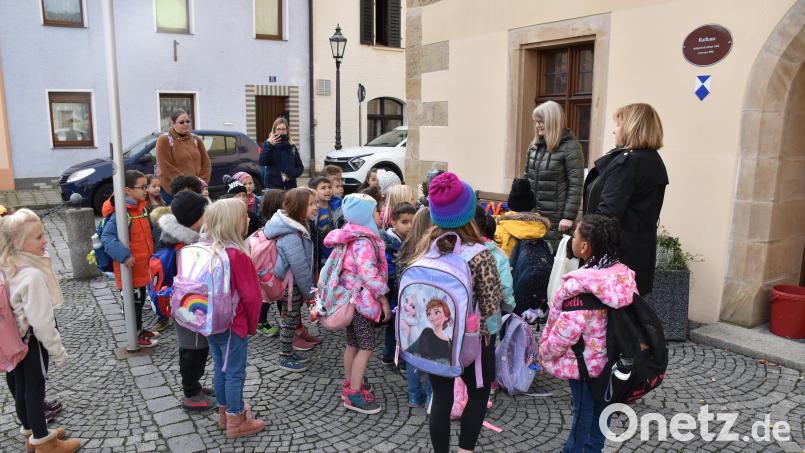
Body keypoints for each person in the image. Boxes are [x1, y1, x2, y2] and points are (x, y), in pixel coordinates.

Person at [415, 172, 502, 453]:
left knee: (441, 398)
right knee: (477, 395)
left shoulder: (427, 249)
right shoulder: (480, 253)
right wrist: (492, 336)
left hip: (437, 337)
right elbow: (490, 305)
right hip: (472, 341)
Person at [538, 214, 637, 453]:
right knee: (603, 408)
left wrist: (544, 352)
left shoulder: (579, 285)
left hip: (583, 364)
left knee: (582, 410)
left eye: (575, 235)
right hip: (611, 360)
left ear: (584, 247)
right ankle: (594, 448)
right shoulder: (620, 276)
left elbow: (566, 332)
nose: (572, 239)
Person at [0, 209, 80, 453]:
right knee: (35, 391)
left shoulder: (6, 265)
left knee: (20, 388)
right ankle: (45, 443)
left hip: (13, 343)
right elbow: (43, 323)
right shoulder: (32, 275)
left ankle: (31, 434)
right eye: (38, 237)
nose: (44, 240)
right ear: (17, 242)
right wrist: (58, 352)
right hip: (32, 342)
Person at [583, 103, 669, 296]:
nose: (614, 130)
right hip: (637, 256)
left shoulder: (629, 162)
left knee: (611, 322)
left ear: (632, 128)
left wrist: (582, 243)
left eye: (619, 124)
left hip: (614, 260)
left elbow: (606, 215)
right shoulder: (652, 160)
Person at [200, 198, 265, 438]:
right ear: (233, 223)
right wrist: (251, 325)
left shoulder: (208, 249)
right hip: (232, 324)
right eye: (244, 216)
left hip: (210, 321)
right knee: (235, 372)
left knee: (221, 367)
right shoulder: (238, 255)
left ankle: (223, 414)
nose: (248, 219)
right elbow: (252, 298)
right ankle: (237, 422)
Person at [323, 194, 390, 414]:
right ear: (366, 216)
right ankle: (354, 393)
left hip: (351, 301)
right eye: (376, 211)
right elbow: (368, 274)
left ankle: (350, 383)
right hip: (362, 303)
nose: (380, 214)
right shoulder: (364, 242)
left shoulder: (351, 235)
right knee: (367, 347)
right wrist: (383, 298)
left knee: (352, 344)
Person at [156, 191, 213, 412]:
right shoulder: (183, 245)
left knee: (199, 348)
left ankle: (195, 385)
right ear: (194, 217)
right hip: (186, 306)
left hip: (193, 304)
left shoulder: (188, 238)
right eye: (204, 210)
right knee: (190, 350)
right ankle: (190, 392)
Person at [101, 170, 157, 348]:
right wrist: (124, 256)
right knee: (133, 304)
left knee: (139, 301)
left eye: (145, 187)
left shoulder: (139, 208)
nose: (145, 190)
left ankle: (139, 330)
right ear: (127, 190)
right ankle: (135, 334)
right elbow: (108, 238)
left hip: (141, 266)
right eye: (141, 187)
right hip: (129, 268)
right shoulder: (122, 213)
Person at [263, 188, 317, 371]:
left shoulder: (296, 225)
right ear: (298, 207)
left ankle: (288, 352)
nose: (315, 207)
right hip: (290, 286)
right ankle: (284, 356)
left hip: (292, 284)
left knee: (291, 318)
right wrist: (309, 294)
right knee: (290, 320)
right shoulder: (291, 235)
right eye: (311, 204)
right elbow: (300, 268)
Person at [524, 100, 584, 251]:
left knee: (553, 264)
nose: (537, 125)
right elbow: (526, 178)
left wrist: (569, 217)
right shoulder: (533, 147)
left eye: (541, 121)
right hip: (533, 218)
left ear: (552, 121)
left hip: (557, 221)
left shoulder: (571, 147)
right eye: (536, 121)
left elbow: (575, 185)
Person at [395, 207, 433, 407]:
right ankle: (430, 396)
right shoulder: (435, 248)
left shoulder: (406, 247)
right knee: (433, 353)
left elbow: (398, 279)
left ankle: (413, 394)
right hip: (430, 308)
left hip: (409, 307)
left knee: (412, 351)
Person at [380, 202, 416, 368]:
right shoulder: (388, 244)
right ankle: (391, 356)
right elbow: (389, 272)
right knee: (396, 326)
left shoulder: (409, 240)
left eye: (412, 222)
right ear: (393, 223)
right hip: (394, 291)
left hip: (405, 290)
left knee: (402, 324)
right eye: (404, 222)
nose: (409, 226)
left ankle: (395, 355)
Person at [156, 109, 211, 204]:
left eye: (187, 121)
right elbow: (166, 166)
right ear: (173, 123)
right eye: (181, 122)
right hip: (174, 191)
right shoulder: (164, 139)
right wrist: (186, 184)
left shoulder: (196, 139)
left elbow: (206, 163)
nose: (185, 124)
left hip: (195, 190)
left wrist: (199, 183)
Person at [494, 178, 550, 257]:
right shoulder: (540, 226)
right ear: (532, 204)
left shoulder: (501, 226)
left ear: (510, 203)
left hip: (508, 267)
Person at [474, 206, 515, 314]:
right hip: (491, 317)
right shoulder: (500, 255)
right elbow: (506, 287)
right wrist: (510, 308)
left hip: (463, 317)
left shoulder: (460, 250)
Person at [256, 189, 285, 337]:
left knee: (272, 294)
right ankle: (261, 322)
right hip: (271, 266)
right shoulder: (275, 224)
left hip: (269, 265)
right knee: (269, 295)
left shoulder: (266, 221)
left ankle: (282, 319)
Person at [259, 117, 304, 190]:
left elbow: (300, 167)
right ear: (274, 131)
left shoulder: (291, 145)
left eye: (283, 129)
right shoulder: (267, 144)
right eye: (279, 129)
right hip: (273, 187)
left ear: (287, 131)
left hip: (290, 187)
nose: (281, 132)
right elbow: (262, 162)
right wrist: (270, 146)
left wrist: (291, 174)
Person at [308, 176, 343, 268]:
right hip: (321, 255)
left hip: (337, 252)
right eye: (323, 188)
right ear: (314, 191)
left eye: (329, 187)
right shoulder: (312, 211)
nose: (328, 190)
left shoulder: (339, 208)